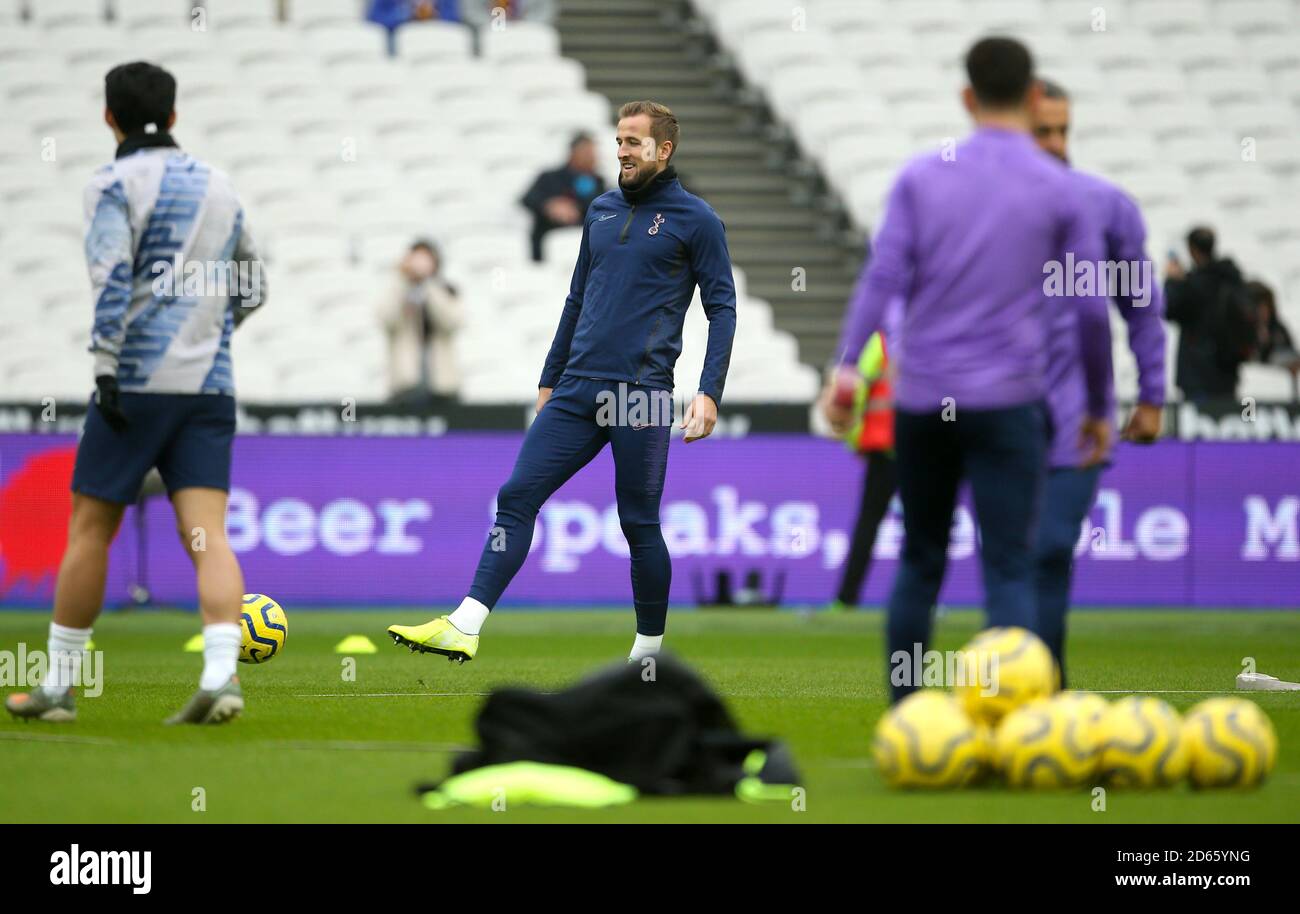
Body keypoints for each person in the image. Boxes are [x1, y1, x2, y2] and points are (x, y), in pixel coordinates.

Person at [387, 101, 736, 663]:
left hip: (639, 395)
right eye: (618, 140)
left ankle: (648, 655)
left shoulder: (697, 220)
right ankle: (466, 624)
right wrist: (550, 378)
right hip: (575, 388)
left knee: (638, 521)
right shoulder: (598, 210)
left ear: (663, 150)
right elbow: (576, 300)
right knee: (517, 495)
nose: (621, 151)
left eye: (633, 142)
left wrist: (709, 390)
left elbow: (723, 307)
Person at [823, 37, 1112, 703]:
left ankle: (908, 717)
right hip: (1011, 401)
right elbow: (1092, 311)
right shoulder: (1059, 189)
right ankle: (1014, 722)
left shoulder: (924, 177)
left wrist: (845, 373)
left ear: (966, 96)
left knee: (920, 562)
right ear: (1035, 96)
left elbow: (882, 279)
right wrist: (1096, 406)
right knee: (1009, 567)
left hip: (922, 401)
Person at [4, 62, 267, 724]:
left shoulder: (110, 183)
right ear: (174, 116)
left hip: (136, 383)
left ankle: (59, 687)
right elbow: (253, 286)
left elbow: (112, 277)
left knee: (91, 529)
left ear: (107, 116)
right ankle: (221, 677)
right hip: (209, 386)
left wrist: (104, 366)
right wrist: (209, 330)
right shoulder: (220, 184)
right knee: (207, 532)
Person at [1030, 78, 1167, 684]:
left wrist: (1153, 394)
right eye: (1044, 131)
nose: (1058, 143)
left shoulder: (1108, 206)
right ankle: (1022, 685)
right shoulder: (976, 206)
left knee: (1052, 547)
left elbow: (1141, 308)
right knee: (1014, 559)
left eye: (1064, 130)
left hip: (1079, 416)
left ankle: (1046, 683)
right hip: (989, 412)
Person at [822, 298, 901, 612]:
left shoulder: (877, 343)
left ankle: (847, 597)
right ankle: (923, 599)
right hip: (919, 448)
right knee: (925, 528)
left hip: (884, 449)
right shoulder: (930, 339)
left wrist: (856, 440)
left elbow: (852, 394)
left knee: (869, 523)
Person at [1164, 227, 1254, 404]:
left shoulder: (1194, 284)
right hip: (1227, 370)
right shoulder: (1231, 278)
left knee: (1200, 426)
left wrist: (1172, 282)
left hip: (1197, 374)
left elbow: (1169, 309)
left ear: (1192, 250)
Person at [377, 238, 463, 404]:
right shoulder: (398, 289)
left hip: (443, 385)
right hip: (405, 385)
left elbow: (452, 322)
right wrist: (402, 280)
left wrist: (428, 282)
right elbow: (385, 319)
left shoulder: (447, 290)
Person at [521, 133, 607, 262]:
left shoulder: (598, 182)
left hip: (584, 247)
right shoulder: (550, 177)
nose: (592, 157)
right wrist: (550, 205)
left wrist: (576, 209)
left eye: (593, 153)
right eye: (586, 152)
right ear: (573, 153)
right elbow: (528, 199)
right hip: (546, 244)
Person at [1246, 281, 1299, 369]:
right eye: (1257, 307)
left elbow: (1290, 354)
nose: (1262, 312)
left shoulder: (1277, 330)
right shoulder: (1240, 332)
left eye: (1265, 307)